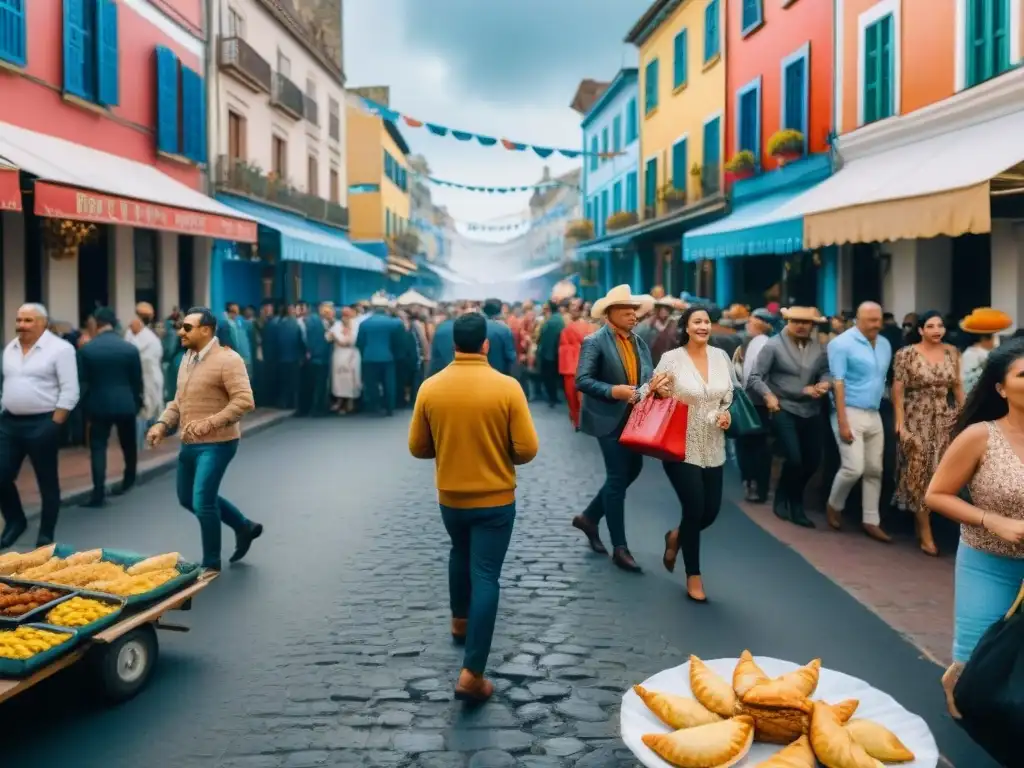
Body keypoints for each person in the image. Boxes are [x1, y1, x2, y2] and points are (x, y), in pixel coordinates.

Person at [408, 313, 538, 703]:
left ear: (453, 346)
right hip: (496, 498)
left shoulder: (431, 387)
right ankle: (472, 673)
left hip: (451, 497)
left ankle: (459, 621)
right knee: (486, 575)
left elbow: (418, 447)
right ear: (485, 344)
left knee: (459, 552)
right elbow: (527, 449)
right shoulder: (507, 387)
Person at [924, 340, 1024, 720]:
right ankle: (955, 684)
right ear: (1001, 388)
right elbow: (937, 495)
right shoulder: (980, 436)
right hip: (989, 562)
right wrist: (992, 520)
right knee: (976, 655)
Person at [146, 307, 262, 571]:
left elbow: (245, 400)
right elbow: (178, 401)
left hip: (218, 444)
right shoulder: (187, 358)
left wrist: (209, 423)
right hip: (189, 443)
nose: (180, 332)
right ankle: (243, 526)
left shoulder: (228, 359)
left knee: (203, 502)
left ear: (206, 330)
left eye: (187, 327)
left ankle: (211, 563)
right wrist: (162, 425)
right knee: (188, 498)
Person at [643, 307, 734, 602]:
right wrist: (656, 390)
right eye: (697, 321)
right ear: (686, 327)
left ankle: (676, 536)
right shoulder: (672, 359)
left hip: (713, 444)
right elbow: (652, 391)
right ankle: (693, 575)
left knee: (711, 512)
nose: (704, 326)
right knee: (694, 509)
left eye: (707, 321)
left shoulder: (720, 357)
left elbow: (728, 396)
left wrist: (725, 414)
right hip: (679, 444)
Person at [572, 285, 655, 573]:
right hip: (608, 418)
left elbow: (648, 374)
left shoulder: (638, 342)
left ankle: (589, 517)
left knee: (633, 470)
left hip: (636, 419)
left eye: (635, 311)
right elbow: (582, 380)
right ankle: (620, 547)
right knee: (618, 477)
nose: (634, 315)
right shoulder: (594, 341)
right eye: (627, 311)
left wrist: (655, 385)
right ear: (611, 314)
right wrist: (614, 391)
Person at [0, 303, 80, 548]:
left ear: (42, 323)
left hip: (42, 422)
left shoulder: (60, 349)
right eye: (19, 320)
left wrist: (54, 423)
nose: (21, 325)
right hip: (10, 423)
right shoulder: (9, 349)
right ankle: (15, 520)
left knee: (46, 480)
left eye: (28, 321)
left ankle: (46, 534)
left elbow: (70, 389)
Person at [747, 307, 831, 527]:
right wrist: (768, 396)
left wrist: (824, 382)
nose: (801, 326)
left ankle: (786, 495)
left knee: (812, 461)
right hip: (784, 407)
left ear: (813, 325)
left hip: (811, 409)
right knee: (794, 458)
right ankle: (794, 504)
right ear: (787, 322)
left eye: (806, 322)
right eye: (796, 321)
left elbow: (826, 371)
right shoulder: (773, 345)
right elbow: (755, 378)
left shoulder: (819, 346)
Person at [892, 310, 964, 556]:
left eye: (940, 326)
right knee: (919, 473)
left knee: (943, 473)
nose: (937, 330)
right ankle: (924, 531)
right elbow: (898, 390)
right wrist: (900, 424)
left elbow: (957, 387)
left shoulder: (952, 352)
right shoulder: (906, 354)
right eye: (931, 326)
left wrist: (965, 418)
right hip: (917, 418)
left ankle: (942, 524)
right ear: (921, 330)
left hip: (945, 418)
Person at [825, 302, 892, 541]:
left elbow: (882, 379)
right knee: (854, 468)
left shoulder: (884, 344)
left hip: (874, 412)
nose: (877, 324)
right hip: (849, 410)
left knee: (875, 469)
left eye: (879, 319)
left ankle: (871, 519)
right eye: (871, 320)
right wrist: (842, 421)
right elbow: (838, 382)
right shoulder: (840, 344)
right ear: (858, 320)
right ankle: (834, 505)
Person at [77, 308, 143, 507]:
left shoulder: (87, 350)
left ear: (97, 324)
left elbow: (83, 383)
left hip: (99, 404)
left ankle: (98, 492)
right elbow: (137, 381)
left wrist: (85, 407)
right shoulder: (129, 349)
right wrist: (137, 402)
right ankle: (128, 479)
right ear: (114, 324)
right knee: (128, 444)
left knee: (98, 447)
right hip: (126, 404)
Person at [734, 308, 774, 503]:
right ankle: (756, 484)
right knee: (756, 446)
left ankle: (753, 483)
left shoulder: (762, 343)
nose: (748, 324)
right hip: (756, 400)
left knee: (750, 445)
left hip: (755, 401)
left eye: (751, 321)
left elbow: (752, 376)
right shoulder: (754, 342)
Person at [356, 296, 402, 416]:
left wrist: (364, 353)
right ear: (386, 308)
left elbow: (359, 342)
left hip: (369, 357)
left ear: (373, 308)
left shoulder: (364, 324)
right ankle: (389, 408)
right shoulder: (394, 323)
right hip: (388, 357)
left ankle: (374, 406)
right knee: (389, 383)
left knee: (371, 383)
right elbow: (398, 342)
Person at [125, 309, 165, 449]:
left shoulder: (150, 338)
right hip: (138, 379)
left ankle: (148, 439)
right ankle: (139, 442)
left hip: (150, 377)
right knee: (141, 410)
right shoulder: (131, 335)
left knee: (150, 408)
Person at [558, 298, 596, 430]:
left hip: (574, 366)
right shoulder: (589, 327)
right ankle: (579, 420)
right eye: (572, 306)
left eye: (575, 306)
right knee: (576, 397)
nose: (573, 309)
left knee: (576, 397)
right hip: (577, 366)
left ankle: (578, 421)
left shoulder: (572, 326)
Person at [958, 308, 1012, 396]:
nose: (997, 340)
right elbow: (967, 385)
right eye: (995, 336)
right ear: (984, 338)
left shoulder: (994, 353)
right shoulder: (970, 355)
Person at [303, 303, 334, 417]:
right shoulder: (313, 322)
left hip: (323, 357)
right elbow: (310, 339)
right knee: (318, 384)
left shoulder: (326, 322)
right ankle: (316, 408)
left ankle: (320, 406)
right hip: (318, 357)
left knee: (321, 384)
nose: (330, 313)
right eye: (328, 311)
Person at [329, 307, 361, 413]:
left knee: (352, 378)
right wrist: (338, 338)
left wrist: (339, 339)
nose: (346, 317)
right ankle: (340, 401)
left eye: (348, 315)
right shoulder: (337, 325)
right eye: (344, 315)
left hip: (352, 354)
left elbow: (351, 340)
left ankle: (351, 402)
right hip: (339, 355)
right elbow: (328, 336)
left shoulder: (356, 324)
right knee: (339, 379)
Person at [536, 300, 564, 407]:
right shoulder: (559, 319)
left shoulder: (550, 322)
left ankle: (552, 398)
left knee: (549, 377)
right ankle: (554, 397)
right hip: (556, 353)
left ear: (548, 309)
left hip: (549, 354)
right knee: (553, 377)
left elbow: (545, 340)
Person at [482, 299, 516, 375]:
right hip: (499, 373)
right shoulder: (504, 329)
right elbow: (510, 356)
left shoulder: (475, 326)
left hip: (478, 372)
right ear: (500, 311)